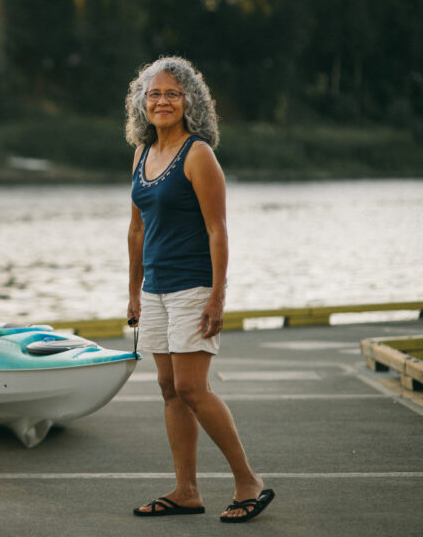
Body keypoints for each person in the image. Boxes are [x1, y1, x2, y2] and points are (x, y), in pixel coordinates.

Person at [124, 56, 275, 523]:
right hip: (156, 289)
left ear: (190, 101)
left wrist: (218, 296)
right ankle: (186, 490)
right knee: (169, 388)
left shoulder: (198, 154)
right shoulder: (142, 154)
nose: (162, 101)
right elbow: (136, 231)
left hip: (193, 285)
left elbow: (218, 230)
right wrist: (133, 292)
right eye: (154, 93)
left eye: (172, 93)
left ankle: (248, 481)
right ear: (141, 103)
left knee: (192, 386)